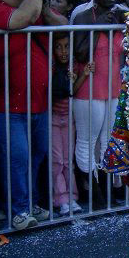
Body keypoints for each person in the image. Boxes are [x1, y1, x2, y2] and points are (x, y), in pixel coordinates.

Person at [0, 0, 65, 230]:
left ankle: (29, 202)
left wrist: (44, 5)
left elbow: (63, 26)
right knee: (17, 157)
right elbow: (21, 20)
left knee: (36, 155)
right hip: (5, 105)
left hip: (36, 102)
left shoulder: (32, 8)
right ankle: (18, 210)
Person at [72, 0, 125, 201]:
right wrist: (100, 23)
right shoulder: (83, 16)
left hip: (114, 87)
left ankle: (108, 189)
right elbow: (81, 53)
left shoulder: (122, 14)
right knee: (87, 140)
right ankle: (91, 193)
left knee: (109, 140)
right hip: (89, 89)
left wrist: (124, 4)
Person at [51, 33, 94, 215]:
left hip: (69, 117)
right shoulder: (51, 67)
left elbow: (73, 91)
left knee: (68, 160)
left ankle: (72, 197)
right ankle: (60, 198)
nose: (63, 51)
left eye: (67, 46)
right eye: (58, 47)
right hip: (52, 118)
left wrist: (81, 75)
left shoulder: (73, 65)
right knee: (57, 160)